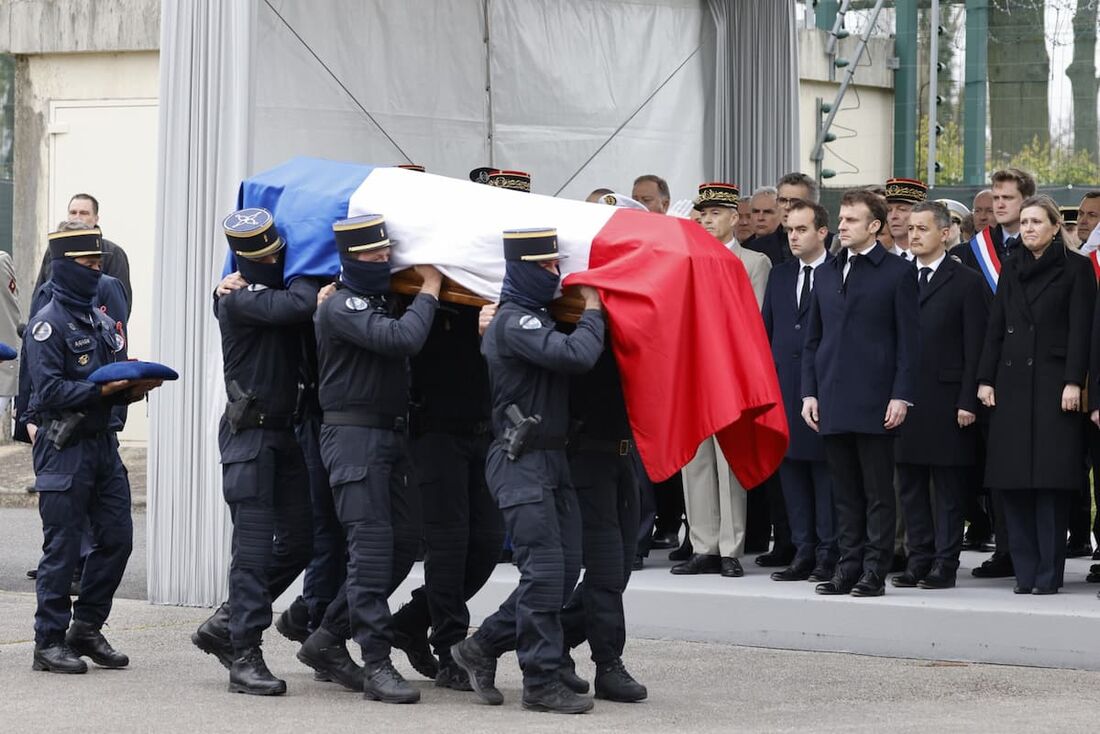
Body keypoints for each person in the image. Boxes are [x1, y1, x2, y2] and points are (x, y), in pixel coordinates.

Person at [450, 228, 604, 715]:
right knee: (544, 573)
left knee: (563, 570)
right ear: (517, 270)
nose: (554, 274)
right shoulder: (515, 321)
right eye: (542, 267)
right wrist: (595, 307)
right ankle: (539, 681)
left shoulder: (531, 316)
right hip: (521, 460)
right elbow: (577, 355)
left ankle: (482, 646)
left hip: (551, 458)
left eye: (556, 265)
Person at [296, 214, 442, 704]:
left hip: (389, 438)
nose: (384, 260)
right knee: (373, 551)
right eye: (373, 255)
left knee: (403, 545)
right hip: (354, 439)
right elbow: (402, 339)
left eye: (386, 252)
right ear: (350, 257)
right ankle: (376, 662)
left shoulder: (375, 299)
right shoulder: (342, 304)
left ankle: (327, 639)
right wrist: (431, 290)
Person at [193, 208, 318, 696]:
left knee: (300, 542)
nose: (274, 261)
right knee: (250, 551)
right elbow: (299, 303)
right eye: (265, 256)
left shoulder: (256, 293)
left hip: (283, 434)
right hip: (249, 439)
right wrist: (308, 264)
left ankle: (228, 622)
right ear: (246, 260)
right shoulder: (239, 300)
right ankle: (243, 652)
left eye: (278, 253)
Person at [24, 226, 159, 673]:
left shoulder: (99, 320)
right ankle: (48, 641)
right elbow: (47, 392)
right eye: (88, 266)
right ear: (65, 267)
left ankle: (86, 627)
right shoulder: (48, 324)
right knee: (62, 549)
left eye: (99, 265)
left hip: (103, 445)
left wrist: (131, 390)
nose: (97, 273)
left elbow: (107, 378)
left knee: (118, 539)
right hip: (64, 446)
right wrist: (102, 392)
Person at [386, 290, 506, 690]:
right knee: (449, 545)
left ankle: (408, 622)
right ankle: (450, 645)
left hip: (483, 430)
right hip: (434, 430)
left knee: (488, 544)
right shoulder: (422, 291)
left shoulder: (493, 290)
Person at [801, 188, 919, 597]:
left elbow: (909, 342)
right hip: (831, 398)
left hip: (876, 400)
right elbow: (813, 341)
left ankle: (874, 569)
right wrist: (808, 394)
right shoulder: (827, 271)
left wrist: (901, 395)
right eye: (842, 218)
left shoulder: (897, 273)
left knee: (878, 494)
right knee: (844, 492)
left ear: (874, 225)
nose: (842, 225)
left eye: (852, 219)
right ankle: (846, 568)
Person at [979, 195, 1095, 594]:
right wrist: (985, 379)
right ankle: (1025, 574)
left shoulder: (1076, 268)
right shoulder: (1011, 267)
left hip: (1052, 387)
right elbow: (996, 326)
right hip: (1011, 387)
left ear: (1053, 227)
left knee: (1049, 484)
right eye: (1024, 222)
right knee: (1013, 483)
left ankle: (1047, 576)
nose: (1027, 228)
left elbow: (1082, 329)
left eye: (1035, 222)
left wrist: (1073, 381)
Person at [673, 183, 770, 578]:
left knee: (729, 461)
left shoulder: (753, 262)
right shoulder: (686, 259)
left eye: (715, 213)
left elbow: (756, 323)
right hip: (693, 373)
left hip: (729, 374)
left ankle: (731, 546)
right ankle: (703, 544)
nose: (707, 220)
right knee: (694, 462)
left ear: (735, 217)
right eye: (703, 214)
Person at [892, 202, 987, 590]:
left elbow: (975, 347)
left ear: (946, 233)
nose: (913, 235)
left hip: (948, 401)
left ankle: (945, 563)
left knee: (947, 490)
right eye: (911, 228)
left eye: (923, 229)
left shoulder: (966, 281)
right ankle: (919, 558)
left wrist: (968, 401)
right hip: (906, 399)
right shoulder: (899, 278)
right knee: (911, 485)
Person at [953, 168, 1037, 580]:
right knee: (994, 467)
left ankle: (1035, 550)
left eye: (1007, 198)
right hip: (988, 375)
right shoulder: (972, 252)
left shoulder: (1042, 247)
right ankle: (1005, 548)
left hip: (1034, 375)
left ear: (1026, 202)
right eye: (996, 199)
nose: (999, 205)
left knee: (1034, 464)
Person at [762, 199, 837, 583]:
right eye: (790, 229)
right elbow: (767, 332)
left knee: (824, 477)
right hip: (784, 389)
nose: (793, 236)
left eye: (801, 229)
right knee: (790, 473)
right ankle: (802, 550)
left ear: (822, 232)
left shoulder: (838, 273)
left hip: (824, 390)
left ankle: (828, 553)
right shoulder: (780, 275)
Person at [34, 194, 132, 310]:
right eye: (73, 212)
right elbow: (40, 292)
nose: (77, 217)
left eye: (84, 213)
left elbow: (120, 303)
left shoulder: (113, 253)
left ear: (96, 219)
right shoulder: (53, 251)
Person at [885, 177, 927, 261]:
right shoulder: (879, 261)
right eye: (889, 210)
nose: (893, 216)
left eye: (902, 209)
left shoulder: (935, 260)